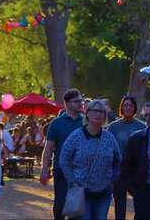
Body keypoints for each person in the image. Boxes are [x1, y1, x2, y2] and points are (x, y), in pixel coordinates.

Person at [59, 99, 120, 220]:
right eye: (95, 111)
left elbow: (118, 160)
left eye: (102, 111)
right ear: (87, 113)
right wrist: (72, 181)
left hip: (103, 191)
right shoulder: (76, 136)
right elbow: (64, 159)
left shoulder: (109, 138)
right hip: (81, 191)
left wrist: (112, 180)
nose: (98, 114)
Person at [39, 88, 84, 220]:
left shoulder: (85, 122)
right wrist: (44, 169)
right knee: (60, 203)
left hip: (80, 170)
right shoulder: (56, 123)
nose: (81, 104)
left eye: (81, 101)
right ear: (68, 103)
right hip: (61, 169)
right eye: (77, 101)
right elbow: (48, 148)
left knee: (76, 205)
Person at [107, 95, 146, 220]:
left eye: (130, 105)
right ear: (121, 108)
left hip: (136, 172)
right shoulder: (113, 127)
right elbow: (108, 148)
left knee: (140, 202)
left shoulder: (142, 126)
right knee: (120, 204)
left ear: (134, 108)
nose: (128, 107)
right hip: (119, 171)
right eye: (125, 105)